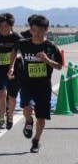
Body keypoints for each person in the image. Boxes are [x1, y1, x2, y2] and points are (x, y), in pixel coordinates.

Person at [9, 15, 62, 153]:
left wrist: (47, 60)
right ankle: (28, 121)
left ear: (46, 30)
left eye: (40, 30)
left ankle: (36, 141)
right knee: (27, 107)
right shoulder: (23, 43)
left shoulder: (50, 47)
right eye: (34, 30)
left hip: (44, 86)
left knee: (41, 117)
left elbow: (59, 66)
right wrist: (11, 66)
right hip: (27, 83)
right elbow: (14, 51)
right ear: (30, 30)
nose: (37, 33)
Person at [0, 13, 21, 130]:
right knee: (2, 93)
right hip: (0, 70)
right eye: (0, 26)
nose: (2, 28)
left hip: (15, 70)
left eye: (5, 26)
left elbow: (21, 52)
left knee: (12, 96)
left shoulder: (16, 37)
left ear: (11, 26)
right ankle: (2, 119)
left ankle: (10, 116)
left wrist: (14, 59)